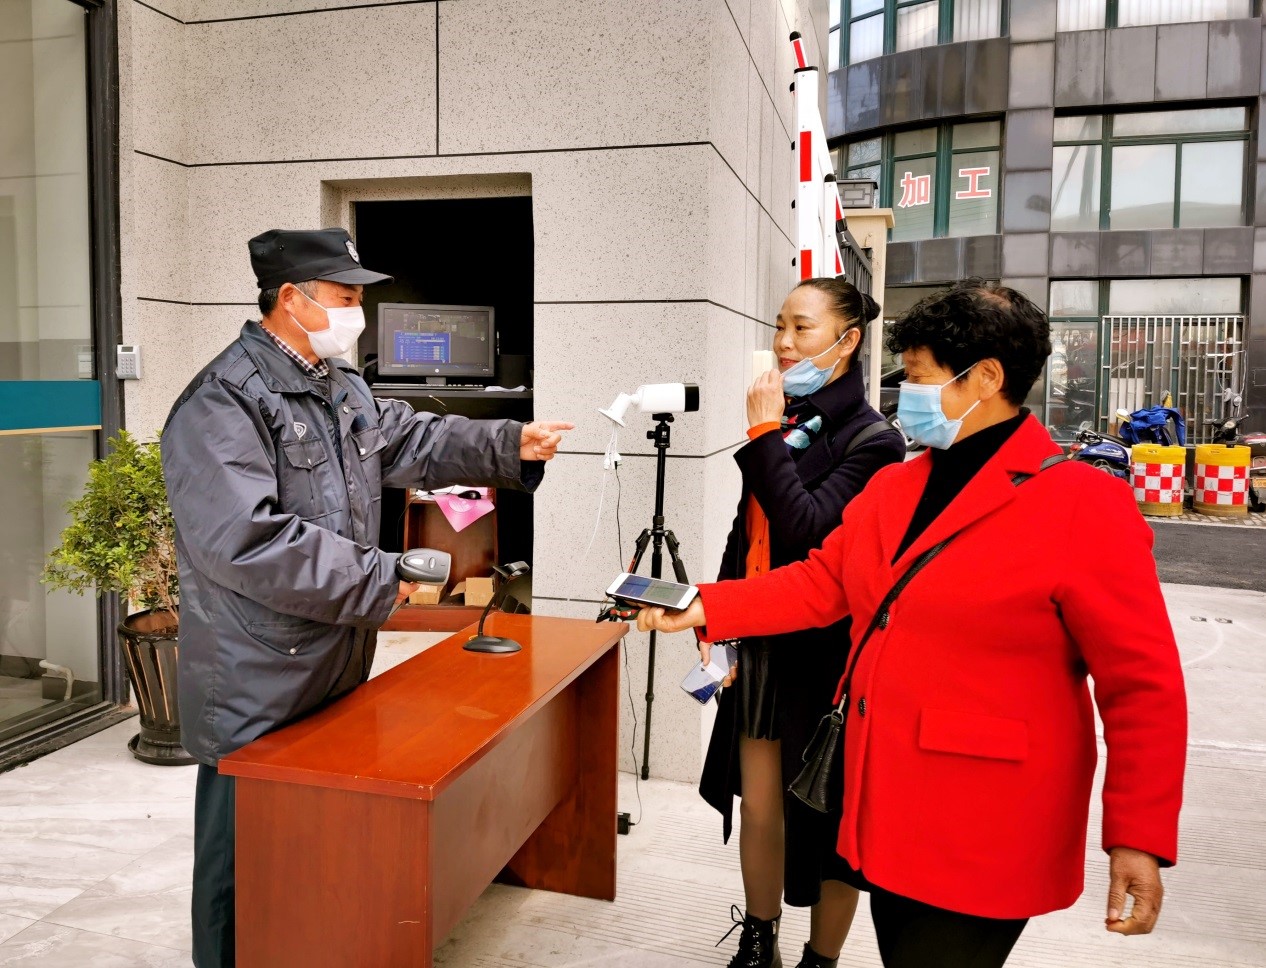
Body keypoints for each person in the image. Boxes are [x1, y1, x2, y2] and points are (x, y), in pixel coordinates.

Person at [639, 280, 1187, 968]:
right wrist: (703, 605)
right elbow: (823, 582)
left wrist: (1137, 835)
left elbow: (1143, 685)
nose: (908, 396)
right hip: (885, 809)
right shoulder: (896, 486)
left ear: (986, 378)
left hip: (987, 823)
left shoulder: (1081, 504)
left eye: (922, 378)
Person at [160, 228, 573, 968]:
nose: (358, 312)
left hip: (331, 653)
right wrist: (383, 576)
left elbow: (409, 440)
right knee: (241, 861)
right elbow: (245, 541)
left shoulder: (338, 383)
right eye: (346, 296)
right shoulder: (222, 401)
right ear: (292, 299)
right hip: (255, 670)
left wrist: (508, 444)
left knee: (311, 843)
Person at [706, 278, 904, 968]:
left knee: (825, 817)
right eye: (780, 326)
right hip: (761, 636)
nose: (784, 343)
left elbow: (808, 530)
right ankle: (759, 937)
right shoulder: (788, 417)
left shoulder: (874, 441)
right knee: (759, 805)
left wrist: (763, 433)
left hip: (827, 654)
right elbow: (750, 530)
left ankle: (821, 959)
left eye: (803, 328)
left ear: (848, 340)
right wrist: (715, 624)